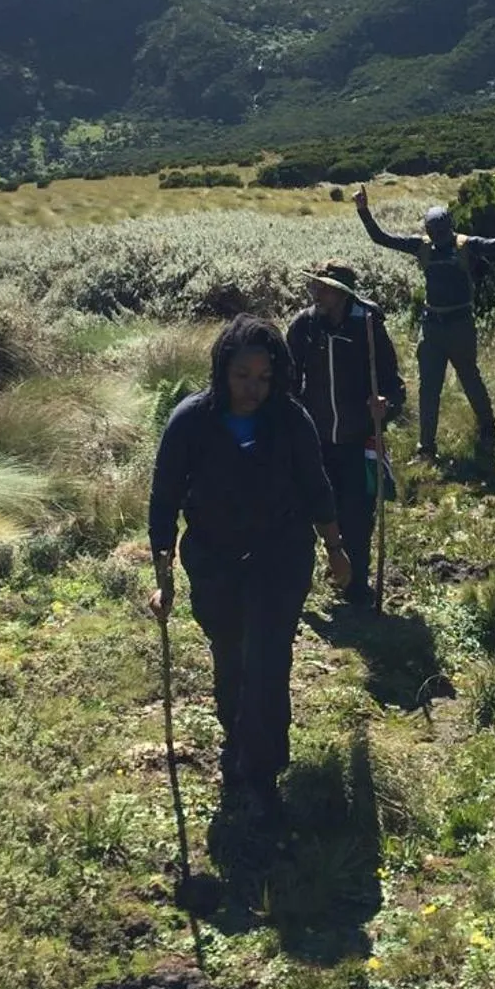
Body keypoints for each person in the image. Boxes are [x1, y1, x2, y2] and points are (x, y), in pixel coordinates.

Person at [148, 315, 349, 830]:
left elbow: (315, 485)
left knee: (267, 654)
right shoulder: (191, 421)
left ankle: (259, 771)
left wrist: (335, 549)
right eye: (242, 375)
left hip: (280, 555)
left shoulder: (290, 419)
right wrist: (163, 572)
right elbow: (164, 498)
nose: (252, 388)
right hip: (213, 559)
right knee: (230, 651)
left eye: (263, 377)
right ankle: (236, 735)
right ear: (222, 370)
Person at [355, 188, 495, 464]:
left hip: (458, 325)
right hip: (433, 327)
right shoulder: (423, 246)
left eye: (440, 231)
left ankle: (487, 428)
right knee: (430, 387)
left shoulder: (465, 244)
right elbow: (380, 238)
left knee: (468, 378)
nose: (438, 236)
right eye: (434, 231)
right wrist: (363, 211)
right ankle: (427, 448)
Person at [287, 261, 405, 609]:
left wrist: (387, 406)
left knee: (356, 515)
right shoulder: (305, 326)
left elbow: (393, 386)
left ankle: (356, 587)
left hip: (357, 441)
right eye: (315, 287)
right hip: (315, 441)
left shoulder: (368, 326)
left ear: (341, 294)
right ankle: (299, 584)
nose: (315, 294)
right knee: (306, 512)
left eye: (322, 288)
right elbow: (289, 381)